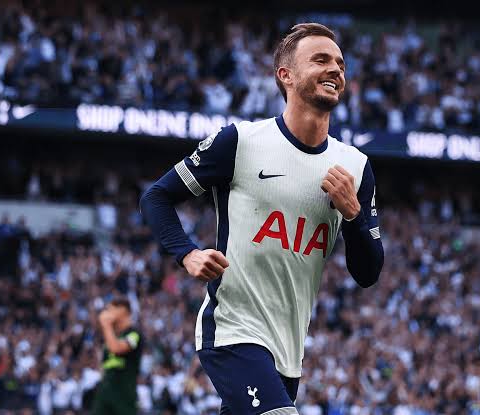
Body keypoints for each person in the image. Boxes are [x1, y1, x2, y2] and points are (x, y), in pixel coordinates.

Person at [140, 22, 384, 415]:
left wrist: (354, 215)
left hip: (288, 352)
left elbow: (368, 272)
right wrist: (187, 254)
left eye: (340, 63)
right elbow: (156, 197)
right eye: (320, 60)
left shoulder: (356, 167)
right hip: (233, 330)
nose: (336, 69)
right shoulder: (241, 142)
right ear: (285, 76)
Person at [91, 297, 143, 415]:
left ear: (123, 311)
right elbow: (103, 367)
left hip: (124, 396)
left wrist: (106, 325)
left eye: (110, 310)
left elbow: (117, 348)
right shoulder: (110, 338)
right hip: (105, 394)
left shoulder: (134, 334)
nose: (107, 314)